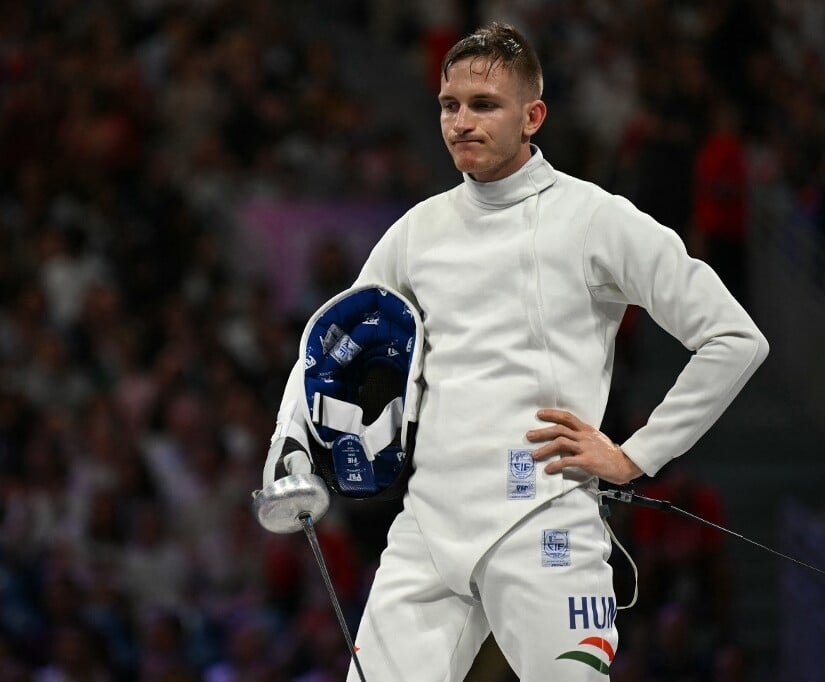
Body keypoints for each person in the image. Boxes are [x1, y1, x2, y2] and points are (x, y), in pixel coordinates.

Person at [266, 22, 768, 680]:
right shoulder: (417, 232)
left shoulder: (593, 218)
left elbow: (734, 339)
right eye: (449, 105)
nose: (461, 122)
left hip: (543, 523)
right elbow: (334, 347)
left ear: (532, 116)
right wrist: (288, 449)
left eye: (484, 105)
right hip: (428, 527)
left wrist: (636, 455)